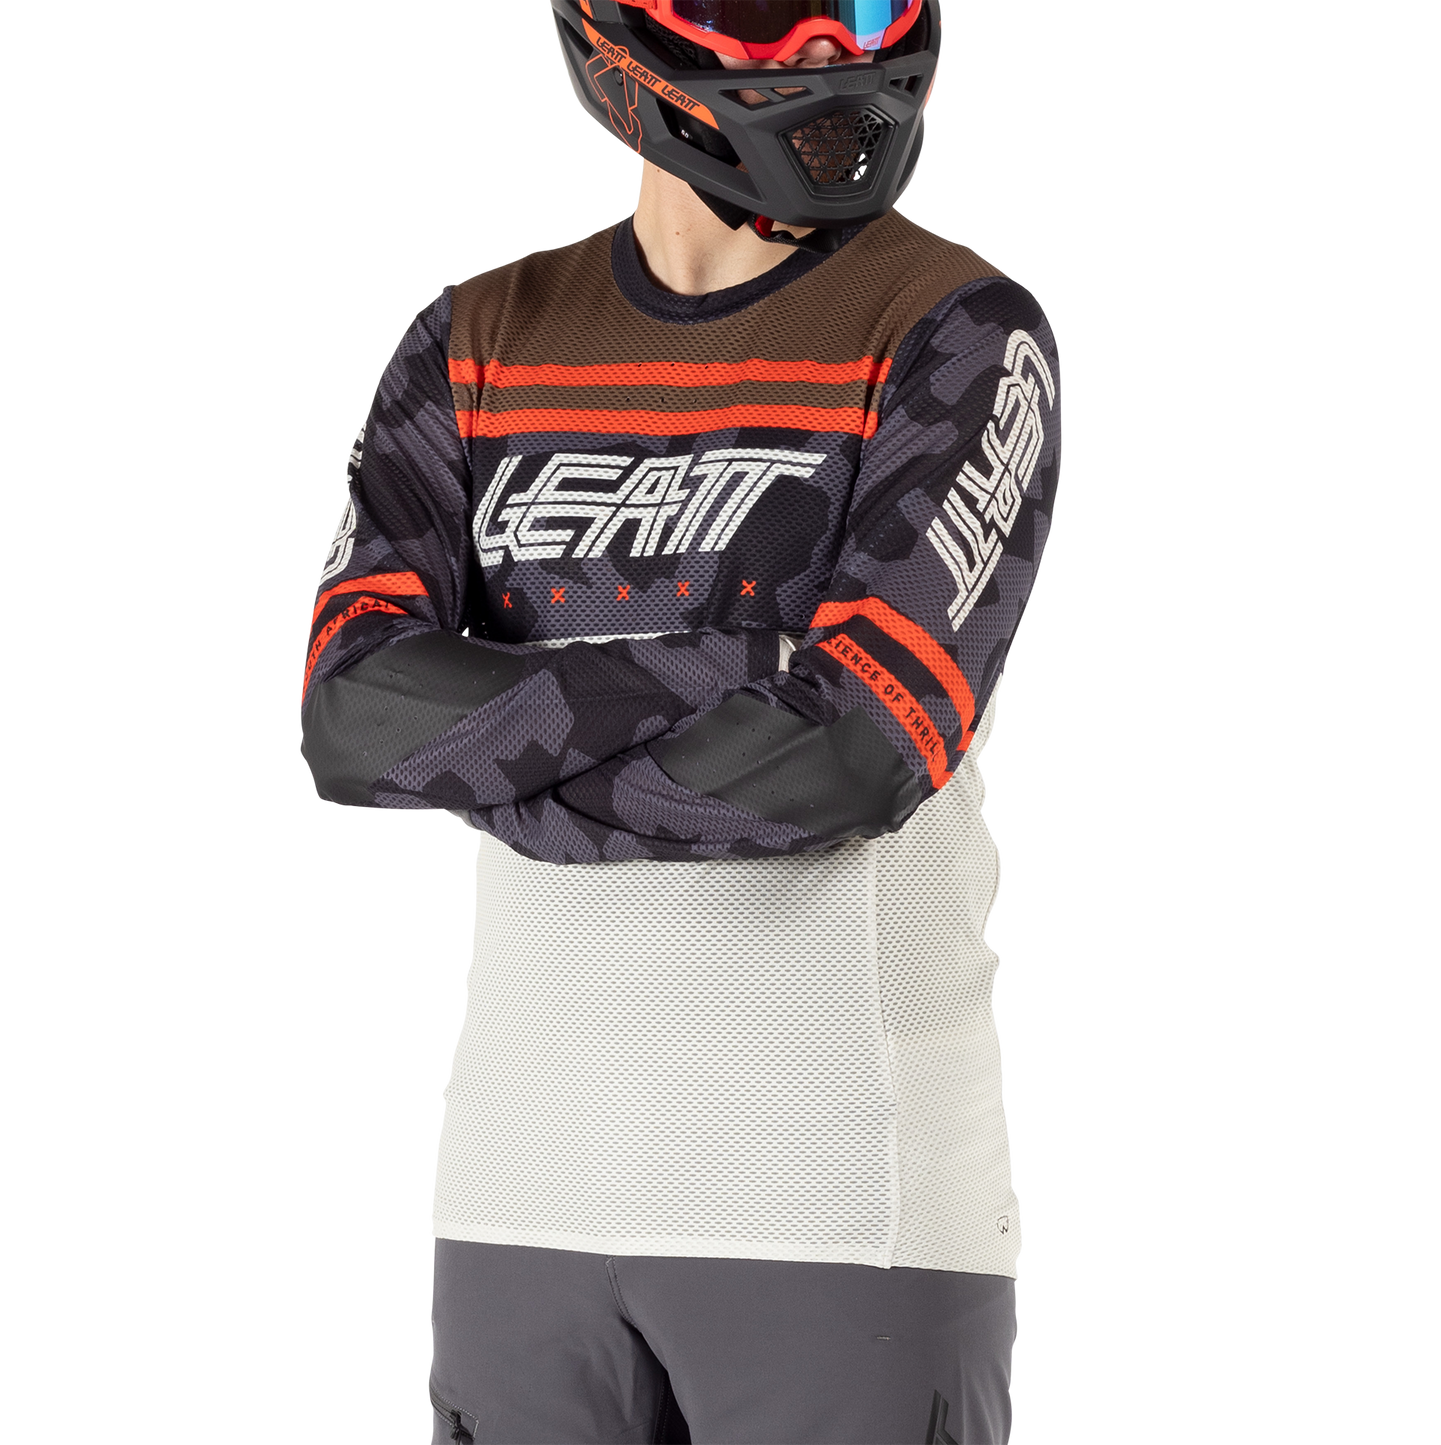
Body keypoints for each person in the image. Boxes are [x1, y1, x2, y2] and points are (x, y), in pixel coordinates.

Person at [297, 2, 1063, 1439]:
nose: (829, 52)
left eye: (864, 7)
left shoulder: (956, 325)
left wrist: (510, 769)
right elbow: (351, 716)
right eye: (771, 14)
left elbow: (854, 749)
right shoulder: (473, 333)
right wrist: (741, 665)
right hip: (520, 1187)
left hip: (833, 1191)